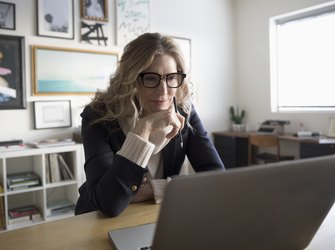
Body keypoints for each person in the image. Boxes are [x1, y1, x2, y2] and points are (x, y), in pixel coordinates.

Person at [75, 32, 225, 217]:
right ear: (131, 78)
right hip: (97, 219)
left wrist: (156, 188)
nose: (163, 91)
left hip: (157, 213)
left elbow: (216, 177)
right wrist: (141, 133)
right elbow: (109, 203)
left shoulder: (184, 111)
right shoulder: (98, 116)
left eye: (171, 78)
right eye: (151, 78)